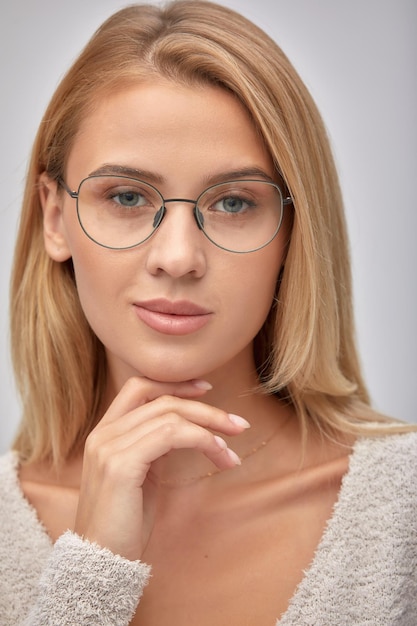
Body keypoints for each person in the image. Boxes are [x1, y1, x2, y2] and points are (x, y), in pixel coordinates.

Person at [0, 1, 415, 624]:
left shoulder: (403, 513)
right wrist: (87, 577)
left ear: (293, 232)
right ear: (55, 217)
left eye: (233, 203)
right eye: (128, 195)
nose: (178, 257)